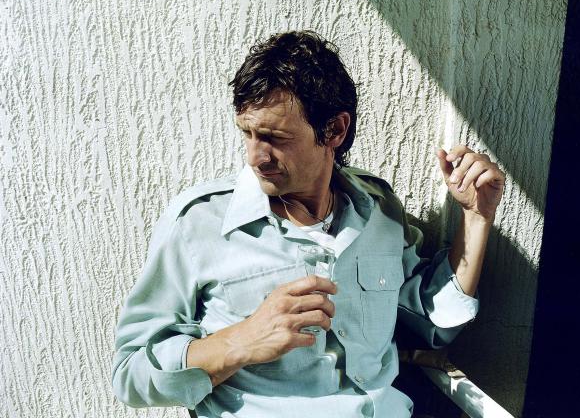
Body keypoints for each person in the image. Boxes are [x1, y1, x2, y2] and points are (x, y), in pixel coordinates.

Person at [112, 30, 505, 417]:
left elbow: (433, 322)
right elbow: (131, 374)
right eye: (247, 133)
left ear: (334, 130)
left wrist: (476, 217)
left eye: (274, 137)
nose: (255, 156)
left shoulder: (379, 209)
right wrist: (241, 341)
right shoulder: (198, 223)